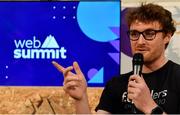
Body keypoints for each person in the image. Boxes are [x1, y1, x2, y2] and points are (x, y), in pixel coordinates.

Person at [52, 3, 180, 114]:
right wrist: (81, 99)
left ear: (167, 36)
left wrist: (149, 106)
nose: (140, 41)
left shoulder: (176, 77)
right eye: (134, 34)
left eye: (149, 34)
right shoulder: (116, 84)